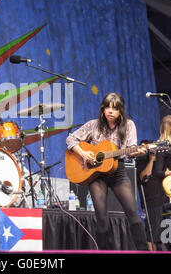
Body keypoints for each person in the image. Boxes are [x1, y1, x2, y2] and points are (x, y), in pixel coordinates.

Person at [66, 92, 148, 250]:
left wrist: (138, 151)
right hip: (96, 175)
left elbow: (131, 149)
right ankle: (104, 252)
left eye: (115, 109)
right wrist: (83, 153)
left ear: (120, 111)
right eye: (107, 107)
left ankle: (144, 250)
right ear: (103, 109)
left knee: (132, 211)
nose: (110, 111)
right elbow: (70, 139)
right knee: (101, 216)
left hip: (118, 171)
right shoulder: (93, 125)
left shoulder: (129, 125)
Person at [135, 139, 167, 251]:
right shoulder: (140, 161)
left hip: (164, 199)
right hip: (151, 201)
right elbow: (144, 178)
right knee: (152, 233)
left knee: (166, 234)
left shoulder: (161, 160)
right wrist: (151, 160)